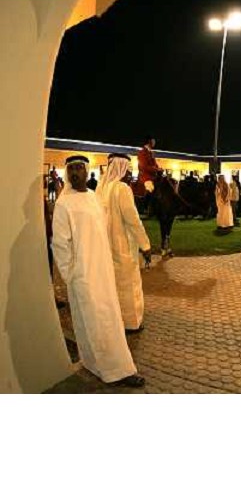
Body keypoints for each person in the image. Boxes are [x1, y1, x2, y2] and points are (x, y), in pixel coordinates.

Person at [51, 155, 144, 387]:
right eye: (71, 168)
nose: (75, 173)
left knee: (107, 320)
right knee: (95, 322)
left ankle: (99, 365)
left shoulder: (93, 198)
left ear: (86, 171)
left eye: (79, 168)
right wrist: (71, 275)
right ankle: (116, 371)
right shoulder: (64, 203)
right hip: (82, 276)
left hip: (103, 271)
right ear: (67, 172)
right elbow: (60, 245)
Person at [96, 153, 152, 333]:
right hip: (123, 247)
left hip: (106, 246)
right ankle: (131, 322)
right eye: (128, 171)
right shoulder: (121, 189)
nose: (130, 175)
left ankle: (114, 320)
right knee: (129, 284)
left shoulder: (101, 188)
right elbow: (133, 221)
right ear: (121, 169)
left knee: (112, 284)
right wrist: (146, 245)